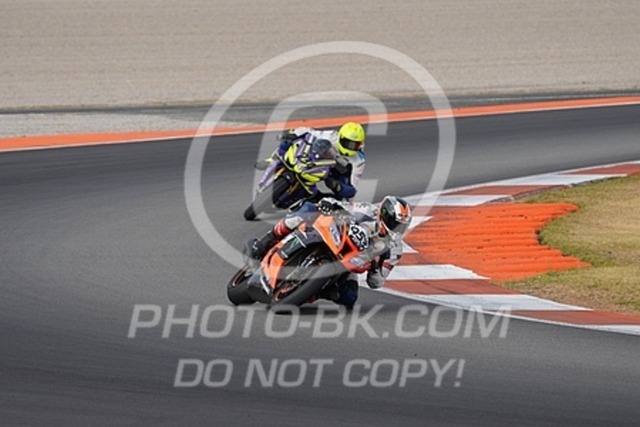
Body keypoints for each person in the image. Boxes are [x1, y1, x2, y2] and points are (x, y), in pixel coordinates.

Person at [244, 195, 413, 308]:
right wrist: (329, 205)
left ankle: (312, 291)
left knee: (349, 298)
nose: (397, 228)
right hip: (336, 236)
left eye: (401, 226)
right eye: (395, 223)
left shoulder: (395, 250)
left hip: (351, 262)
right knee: (306, 210)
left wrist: (376, 267)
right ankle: (265, 241)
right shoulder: (368, 210)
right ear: (384, 214)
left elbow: (376, 283)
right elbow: (340, 205)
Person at [255, 122, 366, 200]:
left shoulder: (359, 161)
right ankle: (273, 159)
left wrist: (338, 186)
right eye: (348, 143)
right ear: (340, 137)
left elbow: (353, 189)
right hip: (318, 159)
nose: (351, 147)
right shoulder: (331, 136)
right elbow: (309, 131)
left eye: (355, 145)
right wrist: (293, 134)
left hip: (335, 172)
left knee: (342, 198)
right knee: (290, 141)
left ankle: (312, 196)